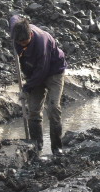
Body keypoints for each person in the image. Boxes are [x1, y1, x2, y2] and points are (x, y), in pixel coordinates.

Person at [10, 15, 67, 154]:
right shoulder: (16, 31)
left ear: (30, 34)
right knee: (34, 111)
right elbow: (13, 18)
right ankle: (37, 148)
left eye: (25, 42)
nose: (22, 44)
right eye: (19, 42)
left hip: (53, 70)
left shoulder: (41, 42)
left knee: (53, 108)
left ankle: (57, 148)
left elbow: (42, 70)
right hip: (33, 72)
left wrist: (26, 88)